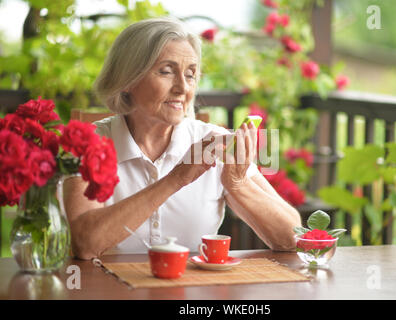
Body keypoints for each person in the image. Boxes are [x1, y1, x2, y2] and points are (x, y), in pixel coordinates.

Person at [64, 17, 301, 260]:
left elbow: (292, 237)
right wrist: (176, 179)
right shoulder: (88, 144)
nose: (183, 88)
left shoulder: (214, 142)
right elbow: (86, 244)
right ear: (127, 80)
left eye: (190, 75)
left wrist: (238, 185)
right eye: (166, 72)